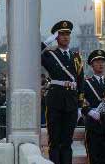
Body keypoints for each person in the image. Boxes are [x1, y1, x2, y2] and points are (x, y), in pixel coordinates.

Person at [41, 20, 84, 164]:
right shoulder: (50, 55)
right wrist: (46, 43)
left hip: (71, 101)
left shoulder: (76, 57)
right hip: (55, 100)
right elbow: (33, 54)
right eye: (62, 34)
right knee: (54, 141)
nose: (65, 37)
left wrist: (79, 105)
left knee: (67, 142)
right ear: (56, 37)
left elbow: (80, 82)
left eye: (67, 34)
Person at [81, 50, 105, 164]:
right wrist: (89, 111)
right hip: (93, 125)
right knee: (94, 158)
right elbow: (79, 101)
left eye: (102, 61)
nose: (100, 64)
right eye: (97, 62)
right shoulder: (86, 83)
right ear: (92, 65)